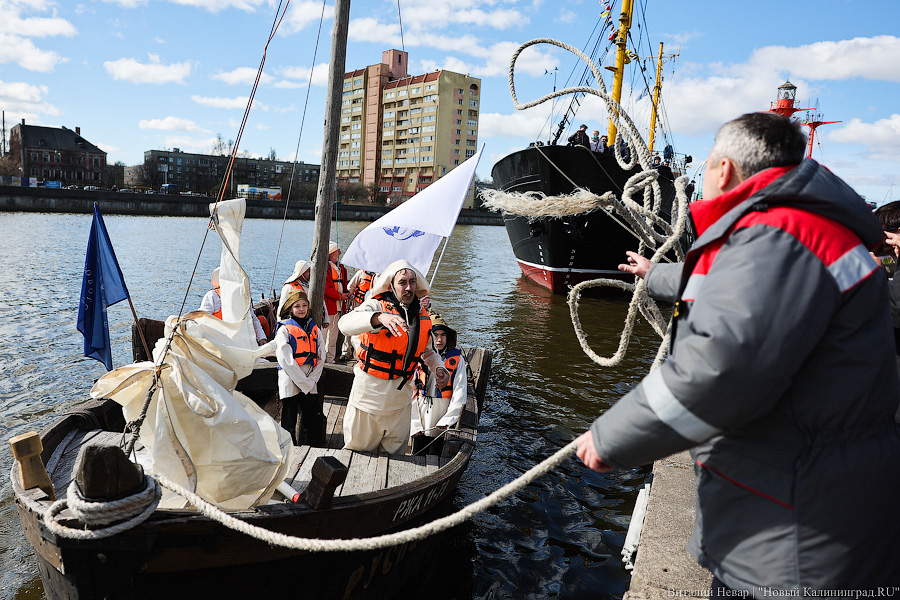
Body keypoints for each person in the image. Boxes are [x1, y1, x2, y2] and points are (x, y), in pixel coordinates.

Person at [578, 112, 900, 593]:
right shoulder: (803, 231)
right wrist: (653, 272)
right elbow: (727, 284)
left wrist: (611, 439)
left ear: (724, 169)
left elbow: (717, 371)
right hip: (812, 505)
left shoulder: (779, 237)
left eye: (706, 164)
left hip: (795, 537)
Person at [338, 260, 449, 454]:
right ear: (391, 284)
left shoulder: (421, 315)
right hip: (368, 400)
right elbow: (344, 324)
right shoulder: (375, 305)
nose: (408, 287)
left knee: (395, 458)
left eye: (412, 282)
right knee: (358, 455)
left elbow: (428, 352)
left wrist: (439, 368)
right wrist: (378, 317)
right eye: (402, 282)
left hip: (400, 402)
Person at [274, 288, 326, 446]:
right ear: (290, 309)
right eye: (297, 306)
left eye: (304, 305)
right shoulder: (284, 329)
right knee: (289, 420)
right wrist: (304, 382)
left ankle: (314, 449)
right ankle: (290, 451)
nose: (302, 309)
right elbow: (285, 359)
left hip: (310, 377)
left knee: (314, 418)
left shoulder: (315, 329)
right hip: (290, 379)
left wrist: (311, 380)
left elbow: (321, 355)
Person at [410, 312, 467, 456]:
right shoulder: (417, 357)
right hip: (421, 411)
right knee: (417, 452)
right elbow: (409, 392)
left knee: (436, 453)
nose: (439, 339)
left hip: (443, 411)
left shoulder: (457, 359)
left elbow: (460, 390)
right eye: (435, 335)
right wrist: (414, 423)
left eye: (443, 335)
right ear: (429, 337)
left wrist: (449, 419)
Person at [199, 267, 267, 345]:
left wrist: (261, 338)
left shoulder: (243, 296)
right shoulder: (212, 296)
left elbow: (253, 319)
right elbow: (203, 319)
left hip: (242, 339)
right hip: (219, 340)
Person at [323, 242, 349, 363]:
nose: (340, 253)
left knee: (333, 335)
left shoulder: (341, 268)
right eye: (337, 251)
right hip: (329, 306)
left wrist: (347, 293)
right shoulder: (325, 268)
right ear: (331, 253)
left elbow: (344, 284)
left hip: (339, 306)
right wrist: (341, 296)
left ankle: (330, 359)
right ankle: (321, 358)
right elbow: (326, 289)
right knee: (324, 334)